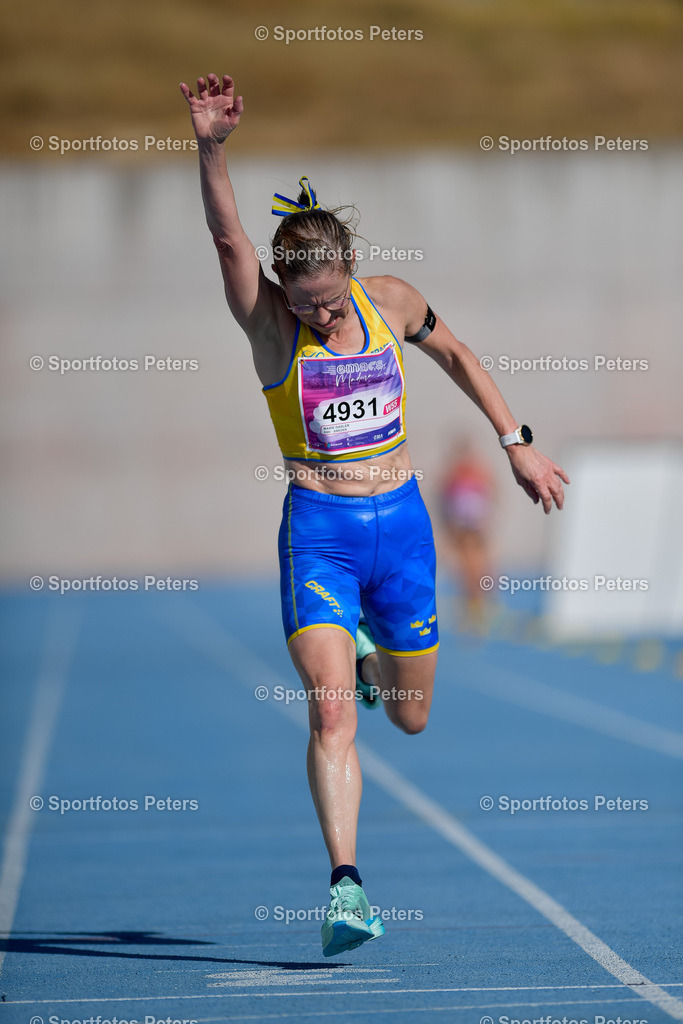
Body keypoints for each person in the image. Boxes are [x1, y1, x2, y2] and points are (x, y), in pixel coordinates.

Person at [180, 72, 569, 957]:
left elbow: (460, 353)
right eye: (301, 301)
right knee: (330, 718)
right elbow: (227, 235)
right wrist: (210, 148)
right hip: (318, 535)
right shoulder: (273, 327)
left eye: (325, 300)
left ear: (348, 273)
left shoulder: (387, 301)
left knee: (410, 717)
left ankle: (370, 648)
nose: (315, 316)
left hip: (401, 529)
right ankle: (346, 887)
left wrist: (515, 441)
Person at [439, 437, 496, 634]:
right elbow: (444, 499)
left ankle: (478, 607)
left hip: (474, 526)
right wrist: (448, 526)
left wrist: (487, 518)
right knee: (465, 569)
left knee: (477, 567)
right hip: (461, 527)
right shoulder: (454, 473)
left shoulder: (476, 470)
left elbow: (492, 492)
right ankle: (470, 608)